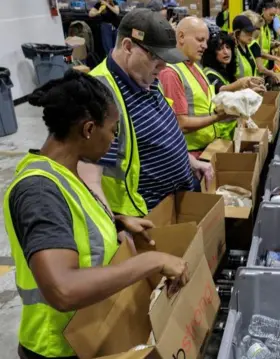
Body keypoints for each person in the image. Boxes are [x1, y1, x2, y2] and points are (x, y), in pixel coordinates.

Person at [5, 70, 189, 359]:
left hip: (90, 332)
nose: (114, 140)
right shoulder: (38, 190)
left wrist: (115, 219)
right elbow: (62, 289)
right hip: (58, 347)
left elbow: (71, 219)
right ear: (89, 129)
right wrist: (151, 261)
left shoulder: (62, 170)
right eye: (113, 130)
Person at [79, 9, 213, 218]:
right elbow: (88, 177)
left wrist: (189, 160)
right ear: (128, 46)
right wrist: (116, 224)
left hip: (176, 201)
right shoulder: (100, 95)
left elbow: (160, 134)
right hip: (145, 214)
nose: (163, 66)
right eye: (156, 58)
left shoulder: (146, 78)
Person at [159, 17, 237, 148]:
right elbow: (181, 124)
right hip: (191, 153)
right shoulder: (171, 73)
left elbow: (206, 107)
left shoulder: (195, 67)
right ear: (181, 37)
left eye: (206, 41)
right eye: (200, 40)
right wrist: (218, 117)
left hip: (208, 147)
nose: (205, 46)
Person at [202, 31, 267, 94]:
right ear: (212, 53)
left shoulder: (227, 70)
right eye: (220, 49)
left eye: (228, 47)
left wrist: (252, 90)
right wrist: (240, 83)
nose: (226, 52)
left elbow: (234, 94)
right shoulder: (209, 72)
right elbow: (221, 90)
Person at [233, 14, 280, 81]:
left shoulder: (247, 47)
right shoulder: (234, 51)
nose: (251, 34)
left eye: (252, 31)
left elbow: (260, 53)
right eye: (247, 32)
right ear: (237, 33)